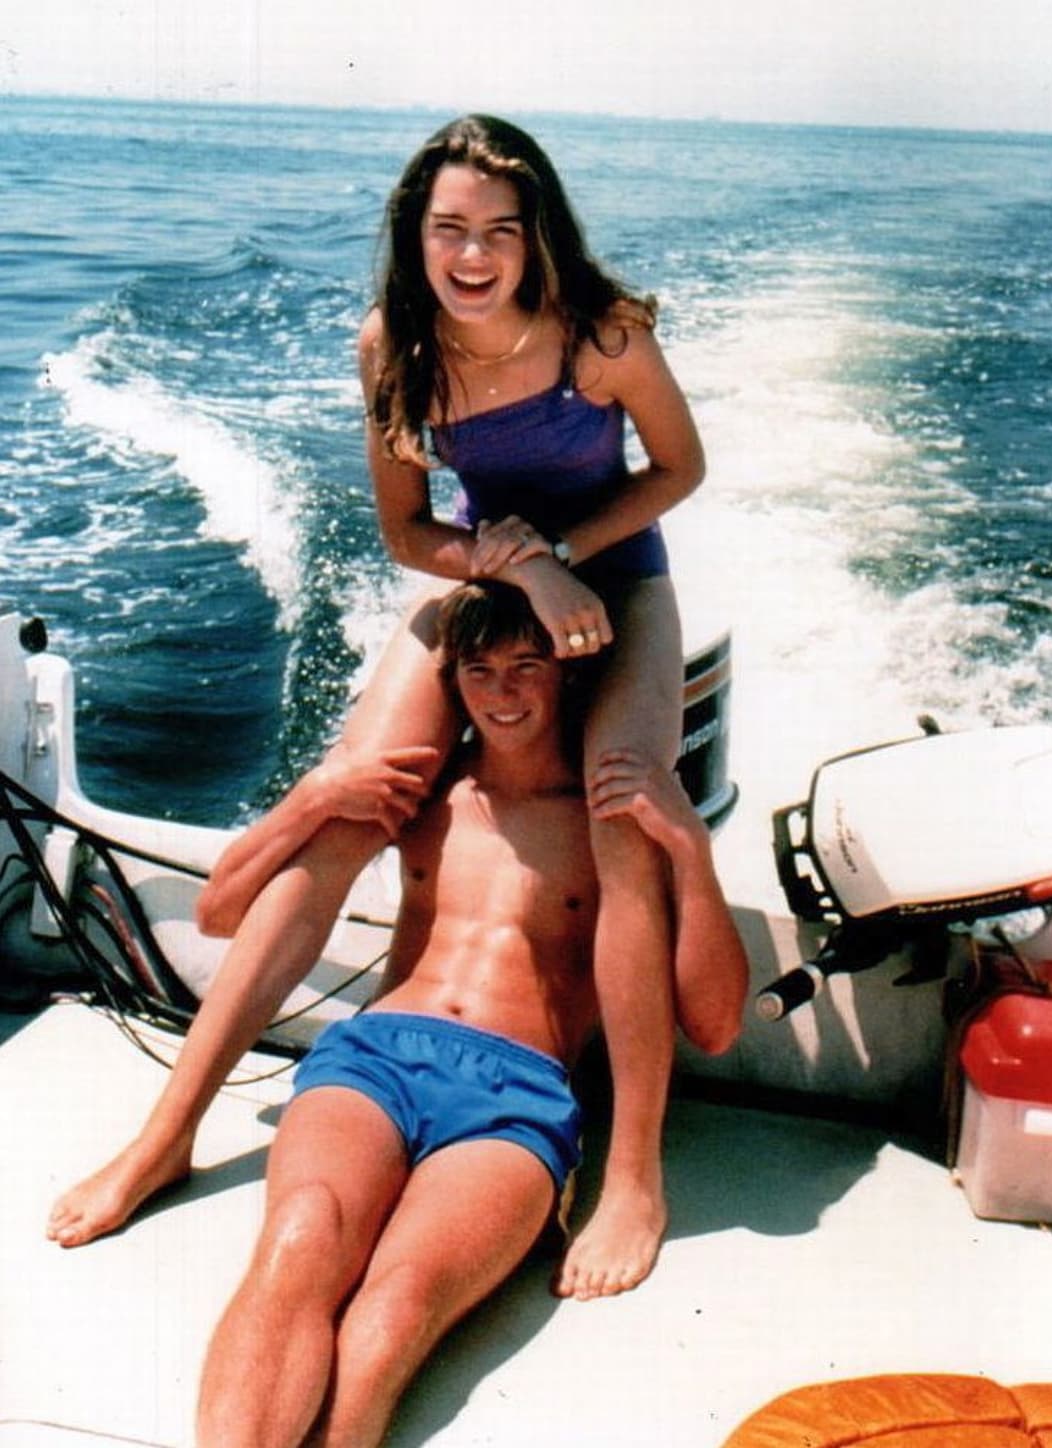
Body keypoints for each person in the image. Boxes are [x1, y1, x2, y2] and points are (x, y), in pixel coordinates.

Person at [193, 113, 708, 1299]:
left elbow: (678, 471)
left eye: (497, 233)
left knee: (625, 812)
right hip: (488, 579)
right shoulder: (394, 344)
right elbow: (408, 532)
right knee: (348, 804)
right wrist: (518, 566)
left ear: (536, 241)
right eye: (446, 231)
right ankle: (172, 1123)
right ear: (413, 237)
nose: (470, 256)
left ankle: (631, 1170)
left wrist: (563, 552)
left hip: (619, 582)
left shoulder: (602, 333)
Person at [49, 582, 748, 1448]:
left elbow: (715, 1022)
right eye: (480, 671)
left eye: (528, 667)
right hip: (374, 1063)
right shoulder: (421, 793)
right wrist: (313, 796)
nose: (504, 694)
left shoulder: (610, 818)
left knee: (394, 1310)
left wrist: (688, 844)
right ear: (450, 681)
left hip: (515, 1098)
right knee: (299, 1244)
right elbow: (221, 914)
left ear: (567, 676)